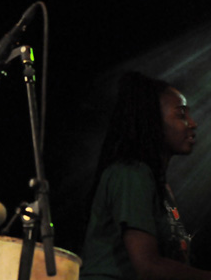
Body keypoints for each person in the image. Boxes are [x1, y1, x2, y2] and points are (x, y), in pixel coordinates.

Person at [80, 71, 211, 279]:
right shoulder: (131, 174)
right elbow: (148, 267)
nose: (192, 123)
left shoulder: (158, 185)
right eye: (181, 115)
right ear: (153, 121)